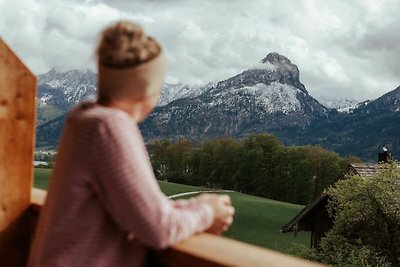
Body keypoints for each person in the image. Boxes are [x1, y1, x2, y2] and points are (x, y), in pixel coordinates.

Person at [28, 21, 235, 267]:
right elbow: (158, 228)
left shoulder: (82, 118)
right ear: (151, 89)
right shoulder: (110, 127)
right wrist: (209, 212)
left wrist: (193, 205)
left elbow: (136, 209)